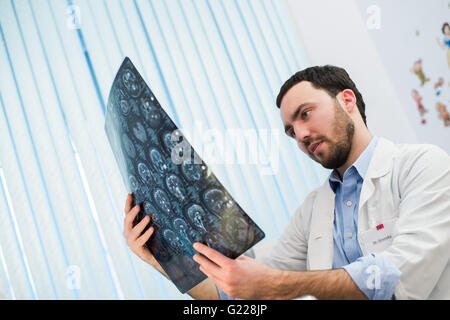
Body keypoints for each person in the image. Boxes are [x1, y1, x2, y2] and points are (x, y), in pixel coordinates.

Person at [123, 65, 450, 300]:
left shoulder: (423, 165)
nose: (301, 135)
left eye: (305, 114)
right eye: (291, 131)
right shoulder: (313, 210)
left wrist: (280, 285)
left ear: (347, 101)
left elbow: (396, 277)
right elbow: (237, 296)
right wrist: (163, 260)